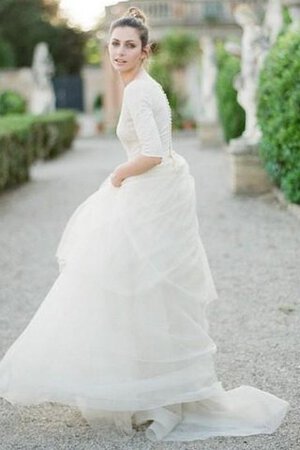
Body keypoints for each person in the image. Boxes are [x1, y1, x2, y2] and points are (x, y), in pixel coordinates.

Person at [0, 6, 289, 443]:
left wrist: (117, 175)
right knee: (143, 291)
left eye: (128, 45)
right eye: (114, 44)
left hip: (148, 195)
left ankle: (149, 392)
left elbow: (152, 152)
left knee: (125, 286)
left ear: (145, 50)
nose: (119, 52)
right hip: (158, 194)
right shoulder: (144, 85)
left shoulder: (137, 92)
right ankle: (151, 387)